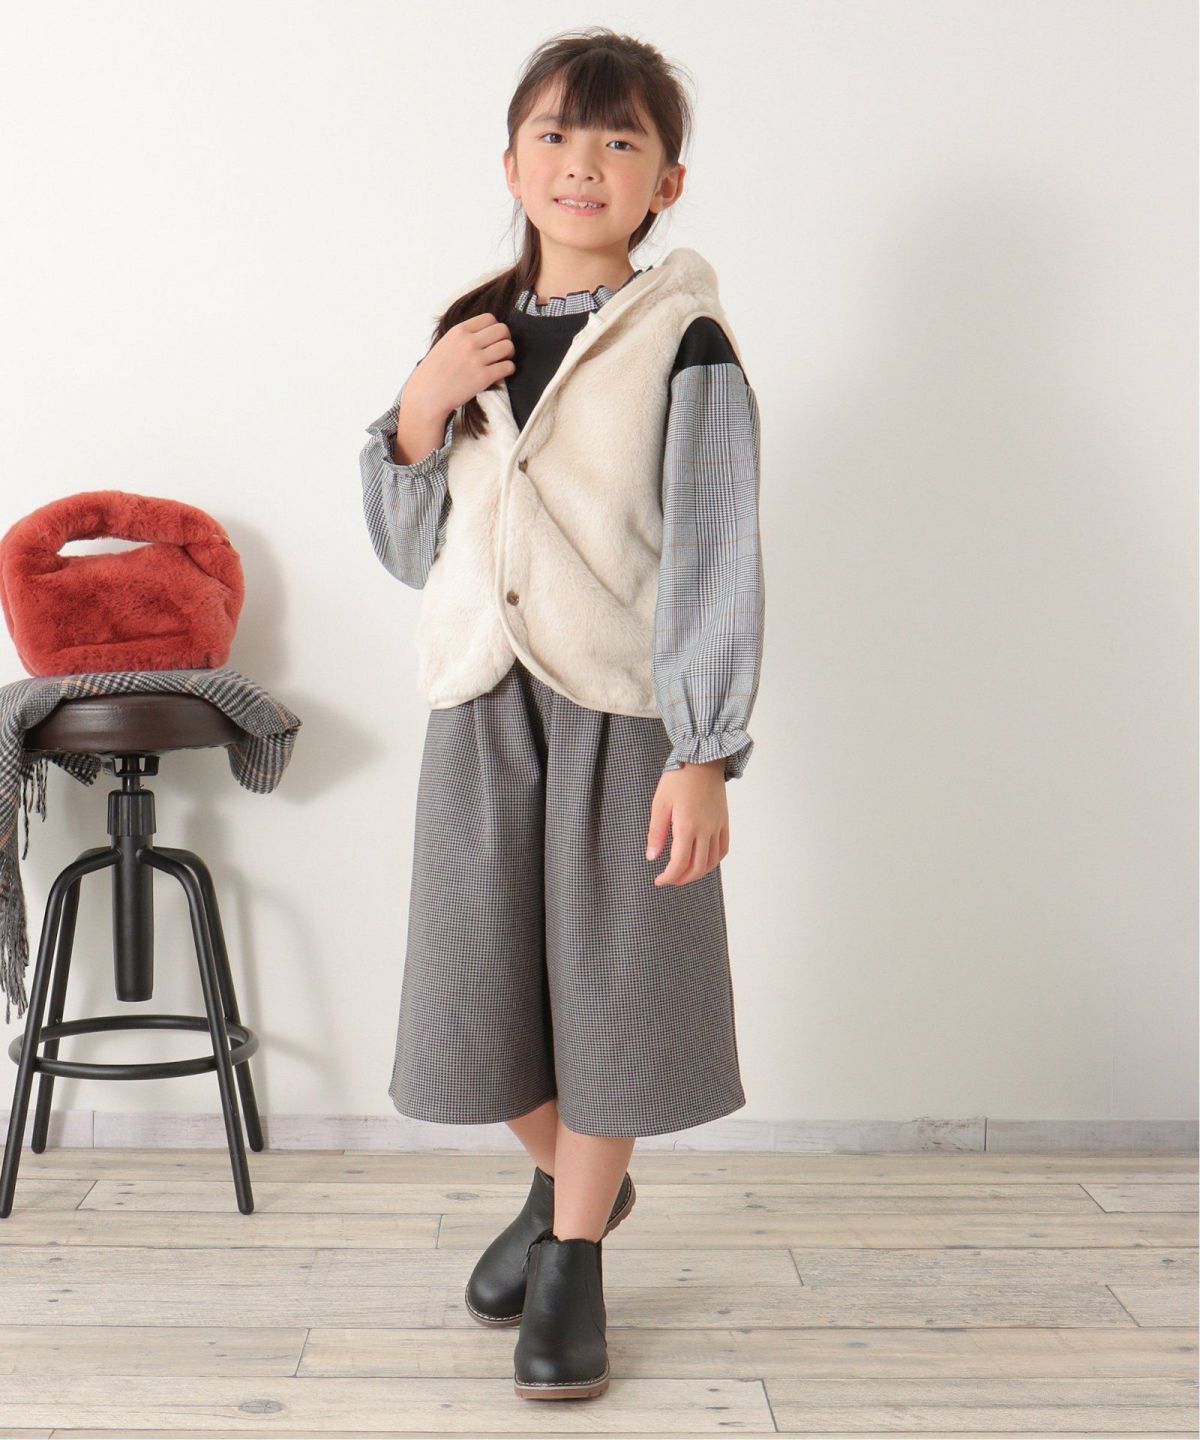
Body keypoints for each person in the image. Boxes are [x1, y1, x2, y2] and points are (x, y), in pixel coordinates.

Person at [358, 25, 765, 1402]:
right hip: (481, 701)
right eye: (555, 134)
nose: (582, 163)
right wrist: (416, 412)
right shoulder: (466, 333)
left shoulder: (685, 341)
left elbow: (714, 551)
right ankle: (568, 1184)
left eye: (618, 140)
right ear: (511, 163)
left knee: (616, 1001)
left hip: (625, 713)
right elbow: (407, 547)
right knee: (475, 1000)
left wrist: (704, 751)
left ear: (667, 182)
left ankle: (573, 1255)